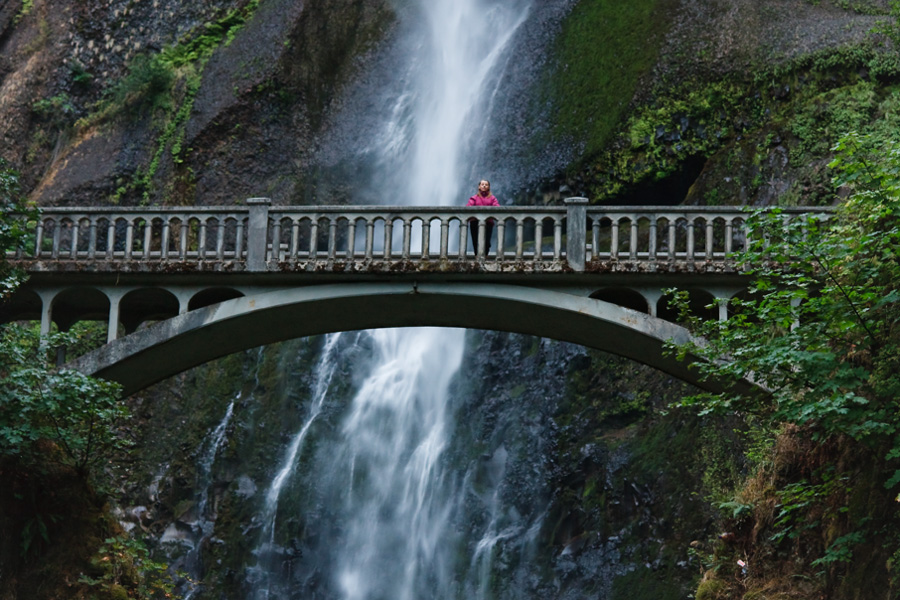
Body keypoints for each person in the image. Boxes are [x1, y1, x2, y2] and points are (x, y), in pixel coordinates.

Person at [466, 179, 499, 255]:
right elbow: (468, 207)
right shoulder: (474, 198)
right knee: (476, 241)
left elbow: (497, 207)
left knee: (487, 242)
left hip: (488, 223)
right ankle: (477, 257)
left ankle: (485, 256)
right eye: (482, 184)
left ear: (489, 187)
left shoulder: (492, 198)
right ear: (479, 187)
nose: (484, 186)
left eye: (486, 184)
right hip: (475, 223)